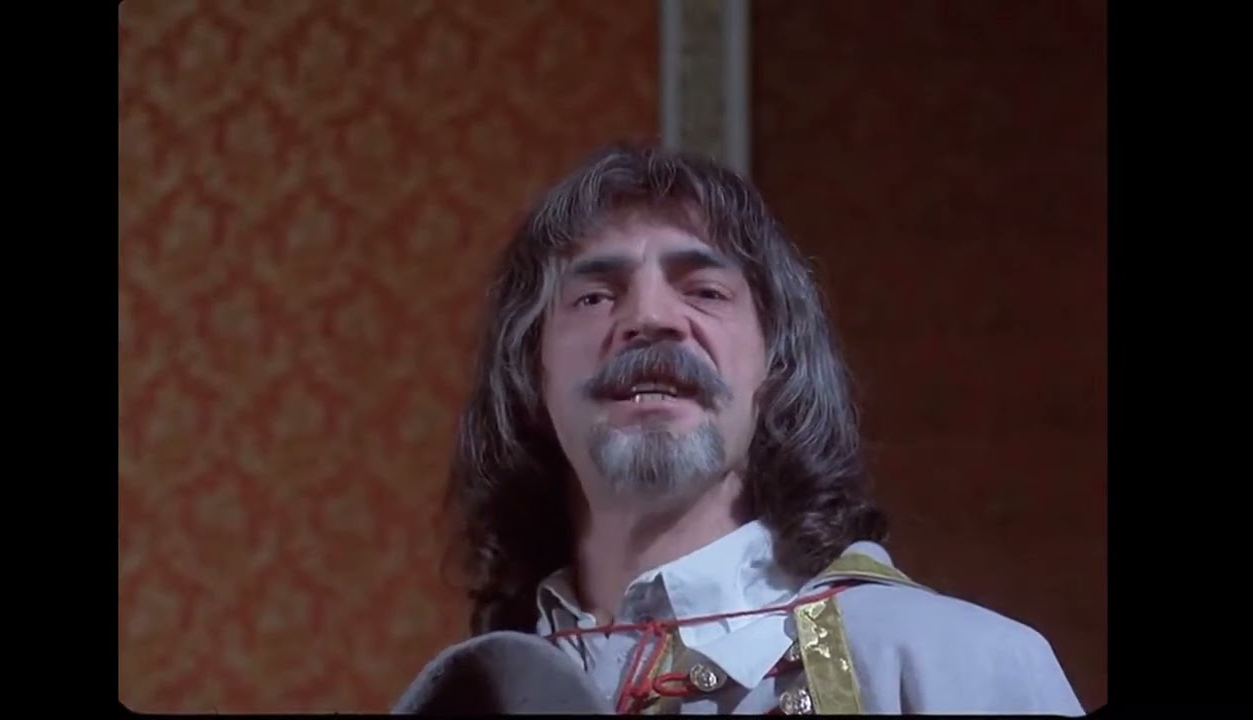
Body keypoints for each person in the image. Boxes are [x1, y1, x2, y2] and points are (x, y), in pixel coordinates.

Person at [436, 143, 1085, 715]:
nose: (651, 317)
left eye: (705, 291)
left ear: (775, 367)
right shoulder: (472, 698)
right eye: (595, 297)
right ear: (530, 376)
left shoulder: (962, 667)